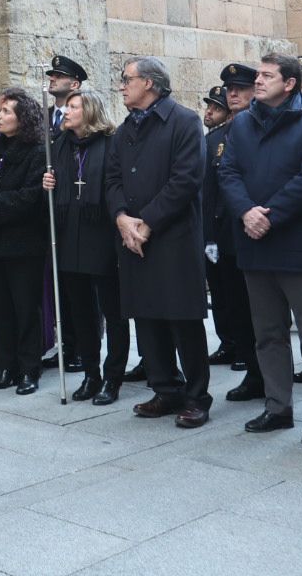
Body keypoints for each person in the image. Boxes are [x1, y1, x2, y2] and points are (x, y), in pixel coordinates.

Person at [217, 52, 302, 444]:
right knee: (267, 332)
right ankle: (277, 406)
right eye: (259, 75)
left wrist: (270, 215)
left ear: (289, 84)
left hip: (298, 244)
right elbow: (229, 172)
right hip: (254, 244)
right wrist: (246, 212)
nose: (258, 81)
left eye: (268, 76)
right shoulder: (242, 126)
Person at [106, 56, 212, 429]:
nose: (121, 86)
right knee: (147, 316)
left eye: (126, 79)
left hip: (172, 237)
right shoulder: (123, 131)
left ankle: (197, 396)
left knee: (182, 317)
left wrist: (146, 223)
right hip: (133, 237)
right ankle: (165, 387)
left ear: (149, 83)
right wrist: (122, 218)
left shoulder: (183, 121)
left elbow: (186, 180)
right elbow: (113, 178)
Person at [42, 88, 126, 404]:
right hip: (69, 236)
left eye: (73, 107)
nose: (66, 111)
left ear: (89, 111)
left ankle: (113, 377)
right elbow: (52, 190)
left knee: (112, 311)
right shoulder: (60, 145)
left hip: (101, 235)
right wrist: (48, 184)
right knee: (80, 311)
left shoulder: (110, 144)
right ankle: (91, 373)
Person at [0, 88, 49, 394]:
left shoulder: (37, 152)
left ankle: (30, 369)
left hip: (24, 242)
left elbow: (32, 196)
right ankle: (8, 366)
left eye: (5, 111)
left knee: (25, 307)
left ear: (22, 118)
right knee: (0, 307)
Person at [204, 78, 260, 401]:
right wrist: (208, 239)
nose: (233, 94)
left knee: (266, 316)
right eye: (229, 89)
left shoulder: (262, 130)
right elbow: (209, 194)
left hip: (262, 232)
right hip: (227, 240)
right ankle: (253, 373)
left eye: (241, 87)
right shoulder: (216, 140)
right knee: (237, 310)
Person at [42, 55, 89, 372]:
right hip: (51, 212)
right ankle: (65, 343)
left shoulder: (85, 116)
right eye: (51, 74)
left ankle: (82, 347)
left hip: (78, 213)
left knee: (80, 292)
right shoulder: (44, 118)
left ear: (75, 84)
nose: (52, 79)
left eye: (59, 75)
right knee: (59, 285)